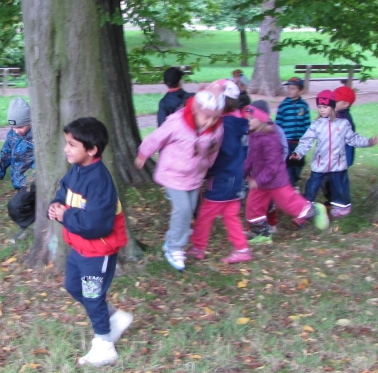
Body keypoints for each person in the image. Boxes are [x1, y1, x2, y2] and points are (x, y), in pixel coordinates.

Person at [48, 118, 131, 367]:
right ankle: (113, 318)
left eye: (72, 145)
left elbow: (97, 225)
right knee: (73, 286)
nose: (66, 149)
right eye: (66, 143)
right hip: (80, 248)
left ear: (92, 149)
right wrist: (56, 204)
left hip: (98, 251)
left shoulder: (99, 182)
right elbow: (64, 190)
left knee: (93, 295)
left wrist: (65, 216)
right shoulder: (76, 170)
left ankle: (104, 346)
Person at [136, 85, 225, 272]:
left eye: (215, 118)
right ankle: (175, 248)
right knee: (183, 209)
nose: (210, 122)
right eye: (206, 117)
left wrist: (207, 165)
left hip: (194, 176)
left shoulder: (216, 129)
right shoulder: (178, 123)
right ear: (196, 110)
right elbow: (157, 137)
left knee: (189, 209)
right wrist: (144, 153)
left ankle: (171, 240)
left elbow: (214, 150)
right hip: (173, 173)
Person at [243, 103, 330, 243]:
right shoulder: (253, 134)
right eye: (247, 118)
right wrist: (244, 173)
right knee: (253, 206)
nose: (248, 121)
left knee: (290, 205)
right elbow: (251, 157)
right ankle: (263, 234)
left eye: (251, 118)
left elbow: (273, 166)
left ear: (262, 119)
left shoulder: (270, 138)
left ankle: (316, 210)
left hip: (276, 181)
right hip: (261, 180)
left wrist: (258, 180)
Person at [188, 82, 251, 264]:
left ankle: (198, 247)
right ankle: (242, 249)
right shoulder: (239, 122)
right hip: (235, 176)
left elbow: (225, 152)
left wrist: (208, 168)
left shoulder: (227, 126)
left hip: (223, 177)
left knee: (206, 214)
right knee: (231, 215)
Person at [290, 90, 378, 218]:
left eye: (325, 107)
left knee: (340, 186)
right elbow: (306, 141)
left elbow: (353, 138)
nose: (322, 110)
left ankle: (342, 208)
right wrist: (298, 153)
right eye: (319, 107)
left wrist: (368, 142)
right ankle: (306, 208)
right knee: (312, 185)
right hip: (320, 164)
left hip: (338, 164)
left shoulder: (343, 124)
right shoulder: (316, 125)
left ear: (332, 107)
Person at [0, 98, 36, 242]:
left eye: (20, 127)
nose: (17, 131)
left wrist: (32, 178)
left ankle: (31, 226)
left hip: (31, 181)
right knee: (30, 205)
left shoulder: (37, 136)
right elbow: (5, 154)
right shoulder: (13, 134)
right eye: (13, 127)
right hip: (19, 180)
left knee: (15, 206)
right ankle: (31, 227)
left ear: (29, 121)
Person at [275, 77, 312, 187]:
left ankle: (295, 179)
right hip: (287, 141)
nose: (289, 91)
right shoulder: (283, 105)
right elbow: (278, 124)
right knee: (288, 162)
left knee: (299, 162)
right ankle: (290, 183)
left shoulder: (304, 106)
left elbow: (307, 123)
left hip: (300, 142)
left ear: (300, 91)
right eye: (288, 88)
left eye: (293, 88)